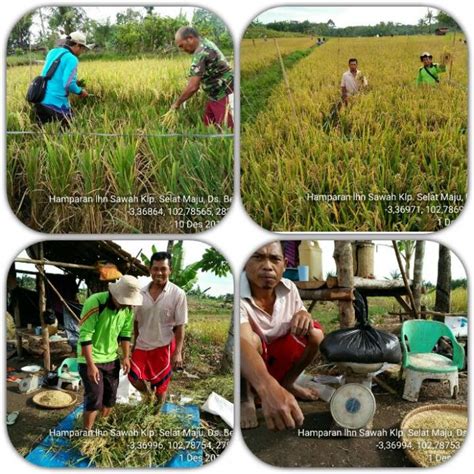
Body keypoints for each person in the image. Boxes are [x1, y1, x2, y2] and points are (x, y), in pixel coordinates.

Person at [240, 242, 324, 431]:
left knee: (315, 333)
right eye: (258, 257)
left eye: (274, 259)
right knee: (248, 341)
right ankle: (246, 398)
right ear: (245, 262)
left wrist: (304, 314)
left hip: (279, 357)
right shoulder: (238, 295)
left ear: (284, 264)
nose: (268, 266)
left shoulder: (289, 288)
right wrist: (268, 388)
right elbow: (242, 344)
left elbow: (302, 313)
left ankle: (288, 383)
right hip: (253, 364)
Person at [77, 275, 143, 430]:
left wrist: (126, 357)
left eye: (129, 302)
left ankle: (102, 425)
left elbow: (125, 334)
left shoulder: (127, 309)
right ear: (115, 294)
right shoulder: (96, 302)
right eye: (124, 301)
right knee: (95, 398)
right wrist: (91, 365)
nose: (127, 305)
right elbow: (85, 335)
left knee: (110, 397)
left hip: (111, 358)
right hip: (90, 359)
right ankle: (87, 432)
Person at [128, 252, 187, 403]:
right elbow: (136, 321)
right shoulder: (140, 293)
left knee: (160, 386)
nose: (159, 273)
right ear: (150, 270)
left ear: (170, 270)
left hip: (163, 346)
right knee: (133, 376)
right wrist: (135, 343)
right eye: (155, 269)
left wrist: (178, 353)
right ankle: (147, 396)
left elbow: (180, 325)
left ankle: (156, 414)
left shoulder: (178, 294)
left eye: (163, 269)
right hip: (142, 345)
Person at [170, 26, 234, 129]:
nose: (182, 50)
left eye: (181, 46)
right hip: (214, 95)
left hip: (223, 93)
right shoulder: (205, 42)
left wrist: (176, 104)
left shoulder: (201, 53)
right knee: (209, 126)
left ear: (190, 38)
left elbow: (193, 87)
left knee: (227, 130)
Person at [34, 31, 91, 127]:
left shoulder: (52, 52)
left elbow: (53, 73)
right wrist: (80, 92)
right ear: (77, 45)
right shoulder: (72, 59)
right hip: (56, 103)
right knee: (69, 130)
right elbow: (68, 84)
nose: (82, 51)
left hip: (40, 99)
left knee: (41, 135)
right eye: (82, 48)